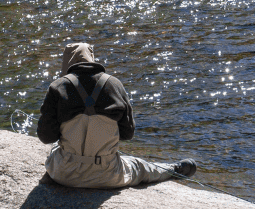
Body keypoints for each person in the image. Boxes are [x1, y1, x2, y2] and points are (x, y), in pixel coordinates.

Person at [37, 41, 197, 188]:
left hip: (63, 174)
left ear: (66, 65)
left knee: (55, 148)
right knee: (140, 166)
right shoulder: (114, 84)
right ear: (92, 59)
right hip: (109, 175)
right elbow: (128, 133)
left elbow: (46, 137)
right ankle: (175, 169)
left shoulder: (57, 87)